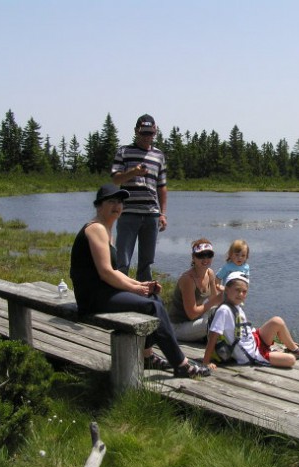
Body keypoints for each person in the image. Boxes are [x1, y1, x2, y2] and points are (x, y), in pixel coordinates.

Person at [69, 184, 209, 378]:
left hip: (104, 292)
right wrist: (136, 290)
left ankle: (146, 355)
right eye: (111, 201)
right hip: (92, 298)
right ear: (98, 206)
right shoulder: (96, 228)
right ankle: (181, 364)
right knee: (153, 308)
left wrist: (142, 286)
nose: (117, 205)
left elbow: (115, 272)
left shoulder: (107, 229)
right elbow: (106, 273)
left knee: (155, 299)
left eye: (120, 202)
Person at [203, 271, 299, 370]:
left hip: (254, 339)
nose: (241, 294)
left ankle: (294, 350)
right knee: (290, 360)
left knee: (277, 321)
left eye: (244, 291)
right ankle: (280, 352)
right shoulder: (224, 310)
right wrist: (206, 362)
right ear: (226, 289)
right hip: (253, 354)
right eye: (237, 290)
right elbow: (213, 335)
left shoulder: (236, 306)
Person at [111, 114, 167, 282]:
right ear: (136, 131)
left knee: (147, 263)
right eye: (144, 133)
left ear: (155, 132)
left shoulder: (159, 155)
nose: (147, 137)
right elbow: (115, 179)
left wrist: (163, 214)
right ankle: (118, 297)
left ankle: (143, 299)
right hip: (128, 213)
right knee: (123, 260)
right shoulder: (124, 151)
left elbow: (162, 187)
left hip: (151, 215)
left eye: (150, 133)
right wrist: (133, 172)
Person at [169, 238, 224, 341]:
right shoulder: (188, 280)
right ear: (193, 257)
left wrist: (228, 294)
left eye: (209, 255)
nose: (205, 259)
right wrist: (214, 301)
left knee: (225, 313)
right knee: (214, 322)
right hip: (178, 327)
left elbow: (215, 302)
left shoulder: (210, 273)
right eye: (200, 255)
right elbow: (192, 314)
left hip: (196, 321)